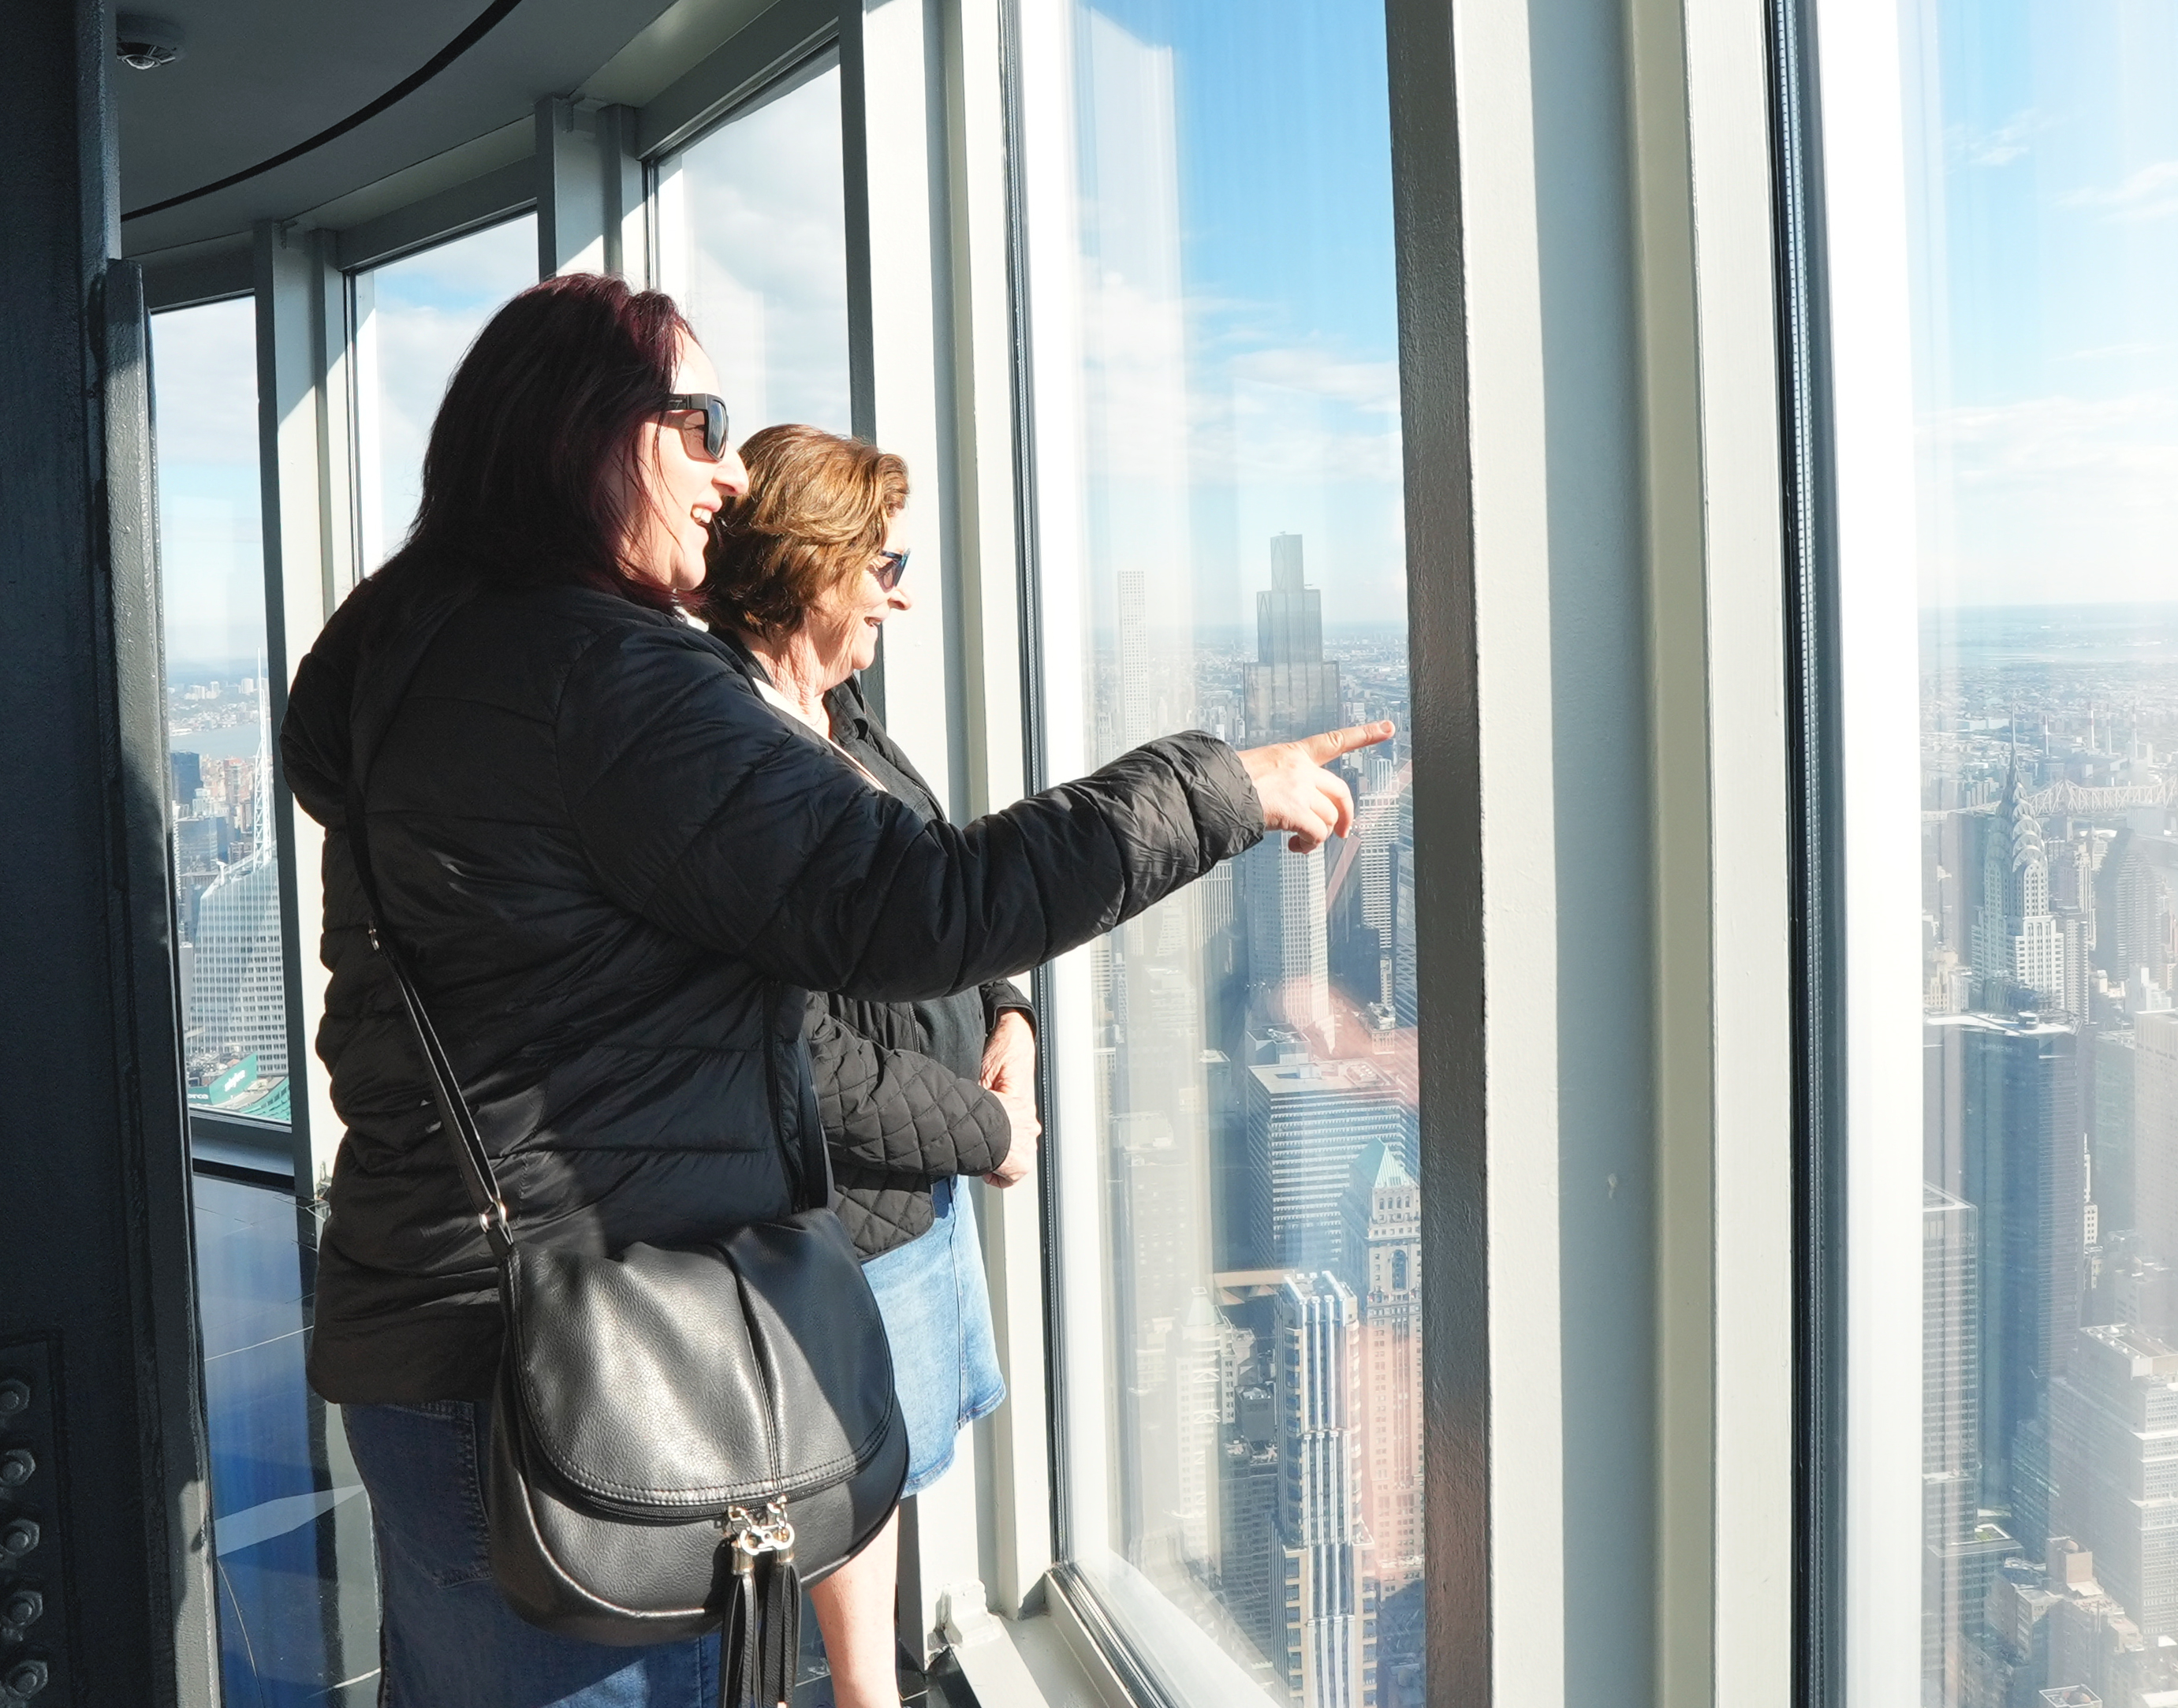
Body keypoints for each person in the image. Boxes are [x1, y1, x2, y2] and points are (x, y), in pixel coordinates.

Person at [276, 272, 1388, 1708]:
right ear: (581, 431)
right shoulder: (597, 678)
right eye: (699, 421)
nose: (729, 473)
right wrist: (1224, 786)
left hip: (434, 1339)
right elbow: (916, 902)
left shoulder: (409, 649)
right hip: (579, 1363)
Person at [700, 423, 1030, 1703]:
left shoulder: (842, 720)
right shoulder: (738, 755)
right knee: (854, 1482)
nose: (899, 589)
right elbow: (805, 1059)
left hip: (919, 1195)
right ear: (809, 564)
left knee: (893, 1469)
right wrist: (987, 1131)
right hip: (849, 1215)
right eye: (879, 561)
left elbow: (940, 888)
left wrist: (1014, 1019)